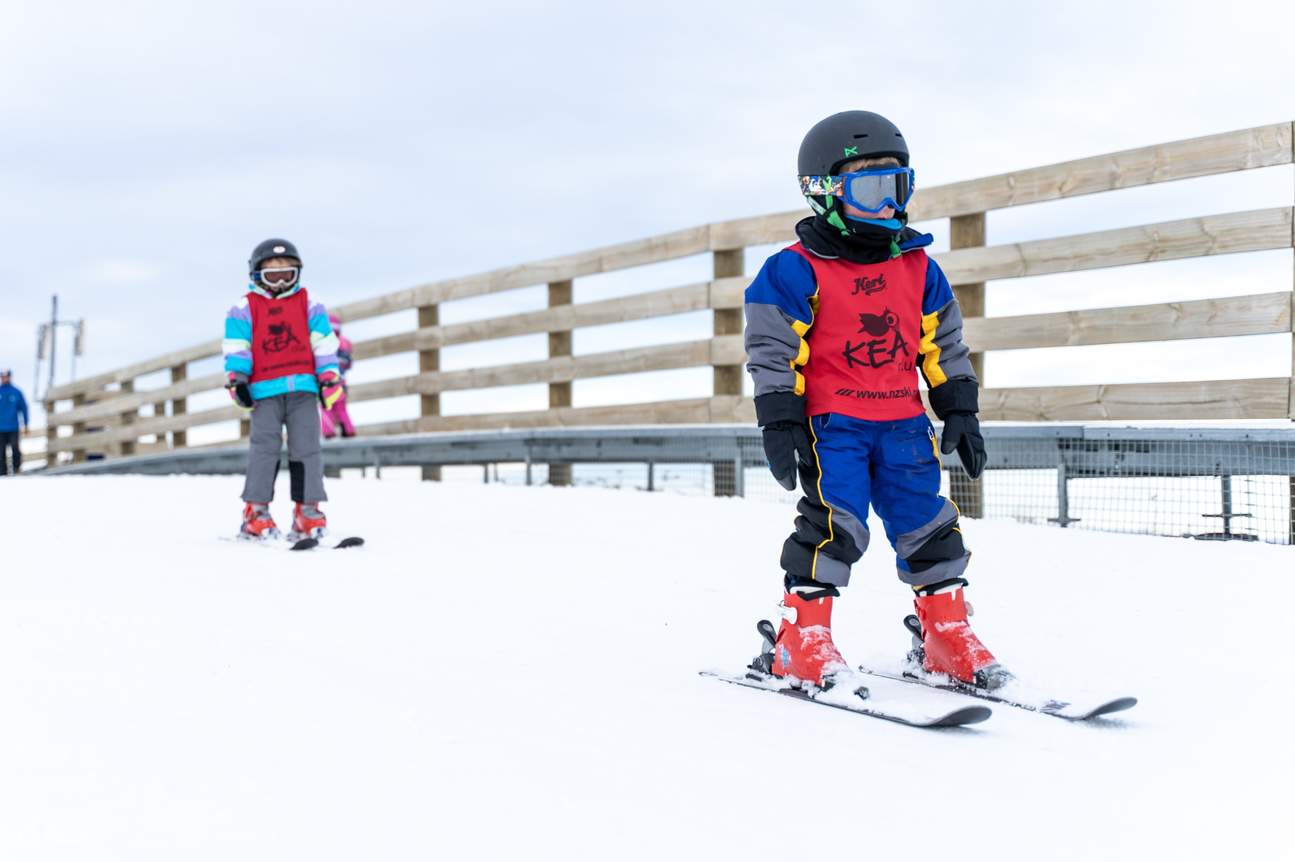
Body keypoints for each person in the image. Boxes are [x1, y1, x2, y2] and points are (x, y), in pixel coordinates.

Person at [744, 111, 1006, 691]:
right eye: (871, 190)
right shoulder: (792, 269)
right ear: (826, 193)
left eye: (898, 187)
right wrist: (780, 419)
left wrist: (959, 407)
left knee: (928, 524)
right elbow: (772, 348)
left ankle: (945, 634)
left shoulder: (918, 267)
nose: (889, 206)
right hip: (831, 425)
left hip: (905, 423)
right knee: (835, 527)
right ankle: (800, 639)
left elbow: (943, 342)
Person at [223, 238, 343, 540]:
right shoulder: (243, 309)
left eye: (287, 274)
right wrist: (238, 379)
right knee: (264, 450)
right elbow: (238, 347)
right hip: (264, 391)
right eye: (271, 275)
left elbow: (324, 343)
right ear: (256, 275)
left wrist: (329, 374)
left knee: (308, 450)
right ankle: (256, 512)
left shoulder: (310, 304)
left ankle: (307, 511)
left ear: (297, 274)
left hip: (304, 387)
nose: (279, 282)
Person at [319, 312, 356, 439]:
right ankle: (348, 430)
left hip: (327, 383)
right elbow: (349, 364)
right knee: (341, 408)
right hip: (341, 382)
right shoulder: (345, 343)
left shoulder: (323, 343)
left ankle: (328, 432)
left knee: (326, 408)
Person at [0, 369, 30, 475]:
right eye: (2, 376)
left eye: (6, 376)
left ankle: (17, 469)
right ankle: (2, 473)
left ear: (9, 377)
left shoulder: (16, 392)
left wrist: (26, 424)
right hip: (0, 428)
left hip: (13, 427)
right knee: (1, 451)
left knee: (15, 448)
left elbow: (24, 408)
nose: (4, 378)